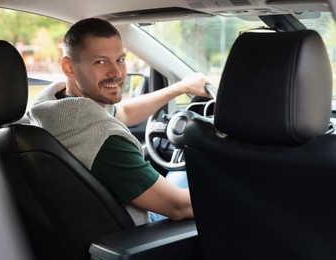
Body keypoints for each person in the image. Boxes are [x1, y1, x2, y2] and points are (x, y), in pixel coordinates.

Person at [27, 18, 211, 225]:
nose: (116, 73)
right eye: (100, 62)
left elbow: (122, 112)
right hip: (138, 235)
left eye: (120, 60)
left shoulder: (54, 107)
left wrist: (181, 87)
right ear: (69, 67)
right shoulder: (101, 136)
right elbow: (180, 207)